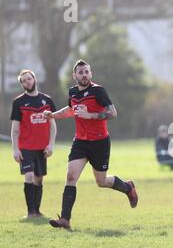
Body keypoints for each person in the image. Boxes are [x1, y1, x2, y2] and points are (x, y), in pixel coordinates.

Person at [44, 59, 138, 229]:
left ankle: (127, 187)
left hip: (99, 142)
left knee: (101, 182)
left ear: (90, 73)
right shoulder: (73, 92)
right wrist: (52, 115)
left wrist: (91, 115)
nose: (84, 75)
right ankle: (65, 220)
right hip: (80, 142)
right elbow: (70, 110)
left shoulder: (98, 91)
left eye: (87, 72)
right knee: (71, 177)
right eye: (81, 72)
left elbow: (113, 113)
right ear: (75, 75)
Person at [10, 69, 57, 219]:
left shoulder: (47, 100)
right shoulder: (18, 102)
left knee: (39, 178)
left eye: (28, 79)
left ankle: (37, 211)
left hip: (42, 148)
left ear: (34, 79)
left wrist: (51, 145)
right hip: (26, 148)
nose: (27, 82)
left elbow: (53, 125)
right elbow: (15, 129)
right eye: (23, 81)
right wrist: (15, 149)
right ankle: (30, 213)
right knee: (29, 176)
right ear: (22, 84)